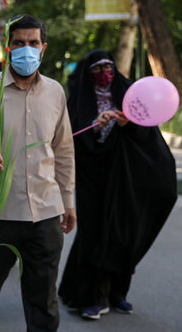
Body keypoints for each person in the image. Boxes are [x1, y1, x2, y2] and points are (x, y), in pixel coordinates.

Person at [0, 14, 76, 332]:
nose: (26, 49)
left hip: (46, 212)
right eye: (19, 43)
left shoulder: (55, 92)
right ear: (8, 48)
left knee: (44, 303)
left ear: (43, 48)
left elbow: (62, 150)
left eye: (33, 43)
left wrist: (68, 200)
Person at [58, 50, 177, 320]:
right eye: (98, 69)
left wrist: (128, 125)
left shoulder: (128, 94)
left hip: (125, 180)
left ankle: (117, 293)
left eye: (109, 66)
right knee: (95, 235)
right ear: (89, 74)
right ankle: (91, 296)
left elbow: (148, 136)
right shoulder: (80, 101)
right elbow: (72, 138)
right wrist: (95, 126)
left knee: (124, 234)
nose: (105, 73)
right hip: (93, 181)